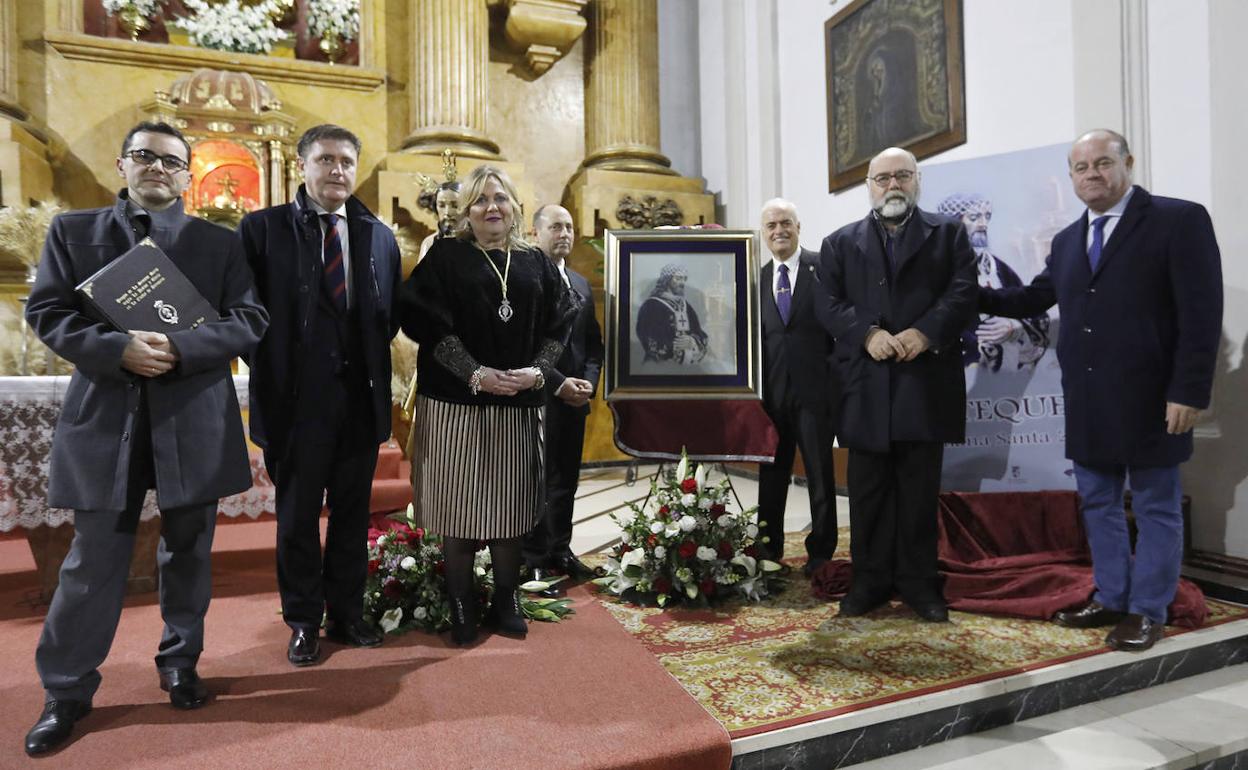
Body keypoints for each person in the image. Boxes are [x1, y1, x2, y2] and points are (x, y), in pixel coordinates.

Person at [22, 121, 268, 755]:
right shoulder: (73, 232)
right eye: (144, 156)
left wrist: (182, 347)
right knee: (93, 561)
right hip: (110, 418)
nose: (157, 168)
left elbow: (250, 319)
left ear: (188, 175)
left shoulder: (220, 242)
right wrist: (117, 348)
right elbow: (47, 311)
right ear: (121, 164)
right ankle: (67, 690)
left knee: (188, 552)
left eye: (170, 161)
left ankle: (181, 662)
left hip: (193, 415)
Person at [979, 129, 1223, 652]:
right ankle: (1111, 597)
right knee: (1097, 502)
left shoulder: (1178, 220)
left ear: (1127, 163)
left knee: (1156, 506)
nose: (1092, 173)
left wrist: (1189, 391)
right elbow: (1034, 297)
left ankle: (1148, 610)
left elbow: (1201, 317)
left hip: (1155, 399)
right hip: (1088, 400)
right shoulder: (1068, 240)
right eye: (1081, 166)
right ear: (1070, 176)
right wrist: (964, 293)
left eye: (1102, 163)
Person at [239, 124, 402, 666]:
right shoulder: (262, 231)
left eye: (347, 162)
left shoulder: (377, 235)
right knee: (298, 519)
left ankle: (348, 614)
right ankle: (304, 620)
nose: (337, 171)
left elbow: (388, 318)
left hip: (358, 402)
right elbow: (244, 315)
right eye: (325, 160)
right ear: (301, 166)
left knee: (354, 518)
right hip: (296, 406)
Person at [400, 165, 577, 645]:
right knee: (458, 505)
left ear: (515, 206)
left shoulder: (535, 262)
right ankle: (461, 603)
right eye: (480, 200)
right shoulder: (446, 257)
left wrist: (538, 371)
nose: (491, 207)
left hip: (519, 404)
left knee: (511, 505)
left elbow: (561, 322)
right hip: (455, 403)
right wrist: (474, 373)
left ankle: (506, 598)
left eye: (499, 197)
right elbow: (423, 319)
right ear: (466, 212)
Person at [816, 147, 977, 622]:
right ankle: (869, 583)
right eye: (882, 177)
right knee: (867, 496)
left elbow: (964, 291)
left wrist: (924, 332)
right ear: (868, 185)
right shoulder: (839, 243)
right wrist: (867, 333)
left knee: (917, 495)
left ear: (917, 181)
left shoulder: (949, 235)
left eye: (901, 176)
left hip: (924, 387)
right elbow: (826, 302)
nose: (892, 185)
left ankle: (919, 585)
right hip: (865, 389)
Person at [756, 198, 840, 576]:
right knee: (771, 478)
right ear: (763, 233)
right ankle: (768, 548)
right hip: (771, 398)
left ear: (798, 226)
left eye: (786, 223)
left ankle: (821, 551)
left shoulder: (824, 267)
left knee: (821, 475)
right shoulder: (754, 278)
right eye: (772, 225)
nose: (779, 231)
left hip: (816, 394)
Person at [522, 204, 603, 585]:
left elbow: (593, 344)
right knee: (537, 481)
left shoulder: (581, 283)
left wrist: (588, 383)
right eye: (556, 226)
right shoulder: (526, 281)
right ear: (536, 233)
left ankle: (561, 549)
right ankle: (534, 556)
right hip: (540, 396)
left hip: (576, 399)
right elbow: (527, 345)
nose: (565, 234)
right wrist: (559, 383)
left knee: (567, 479)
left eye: (569, 227)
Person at [935, 193, 1049, 374]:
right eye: (974, 217)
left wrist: (1014, 326)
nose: (983, 224)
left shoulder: (998, 267)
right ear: (954, 222)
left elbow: (1030, 306)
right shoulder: (936, 270)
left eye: (986, 217)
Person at [636, 264, 708, 364]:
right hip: (660, 368)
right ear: (667, 280)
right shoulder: (651, 305)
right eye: (678, 278)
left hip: (688, 367)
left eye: (684, 279)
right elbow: (645, 335)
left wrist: (692, 341)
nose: (682, 283)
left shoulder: (685, 305)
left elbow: (699, 332)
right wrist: (673, 345)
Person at [418, 180, 462, 260]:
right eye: (441, 205)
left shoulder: (479, 243)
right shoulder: (430, 243)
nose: (447, 212)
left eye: (455, 206)